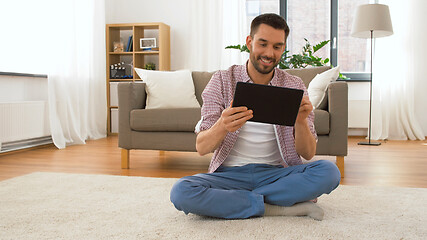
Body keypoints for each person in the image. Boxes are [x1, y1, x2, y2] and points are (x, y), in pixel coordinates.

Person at [170, 13, 340, 220]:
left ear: (283, 49)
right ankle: (278, 207)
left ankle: (238, 202)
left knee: (329, 172)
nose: (269, 53)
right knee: (181, 191)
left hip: (277, 174)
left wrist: (301, 121)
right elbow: (202, 147)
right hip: (228, 175)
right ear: (249, 42)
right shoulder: (222, 81)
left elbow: (309, 153)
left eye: (277, 47)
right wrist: (222, 125)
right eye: (263, 44)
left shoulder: (294, 85)